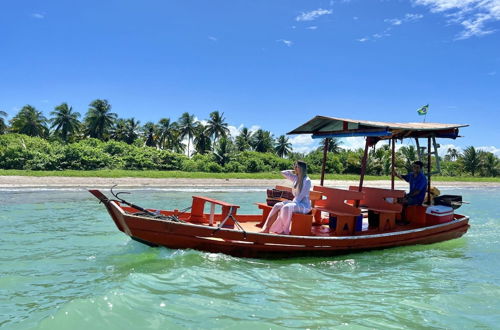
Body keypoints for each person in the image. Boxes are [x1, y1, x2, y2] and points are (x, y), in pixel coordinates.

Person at [260, 161, 312, 234]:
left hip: (304, 206)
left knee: (286, 207)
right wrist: (293, 171)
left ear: (301, 168)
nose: (295, 168)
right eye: (295, 166)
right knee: (277, 205)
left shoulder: (307, 181)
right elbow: (283, 172)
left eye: (297, 167)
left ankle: (285, 231)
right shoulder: (295, 178)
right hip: (296, 203)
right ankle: (266, 228)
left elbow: (301, 196)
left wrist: (291, 203)